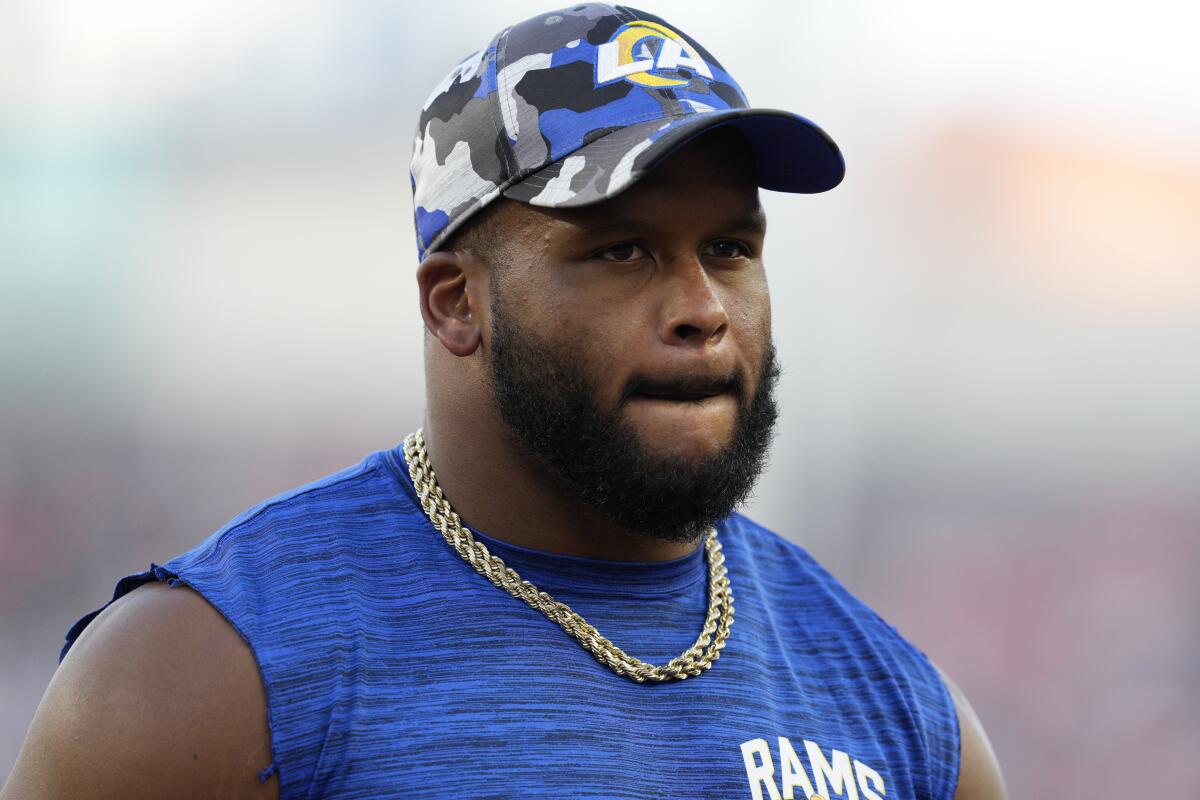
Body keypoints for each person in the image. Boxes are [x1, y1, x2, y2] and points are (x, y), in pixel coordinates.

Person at [2, 5, 1007, 799]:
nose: (703, 308)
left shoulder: (900, 713)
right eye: (622, 251)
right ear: (457, 303)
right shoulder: (205, 678)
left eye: (731, 250)